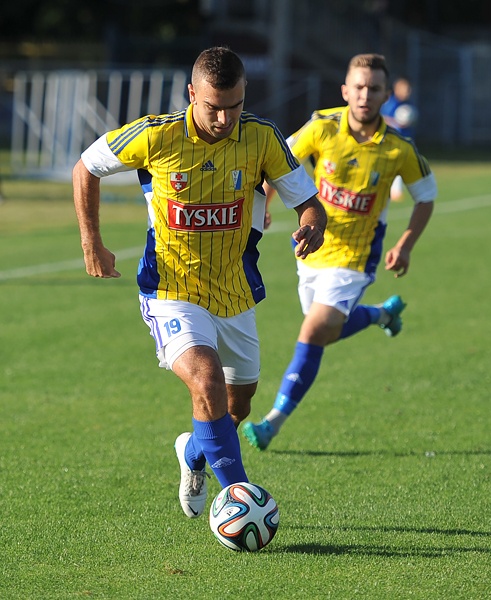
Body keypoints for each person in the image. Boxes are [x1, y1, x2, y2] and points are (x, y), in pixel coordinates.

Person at [72, 46, 327, 519]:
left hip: (235, 292)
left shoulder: (262, 136)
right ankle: (240, 499)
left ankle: (193, 453)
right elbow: (86, 166)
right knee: (205, 380)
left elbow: (308, 200)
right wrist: (92, 241)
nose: (226, 118)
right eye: (214, 107)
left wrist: (312, 223)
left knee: (236, 407)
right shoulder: (156, 136)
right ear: (192, 93)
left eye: (235, 105)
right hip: (171, 290)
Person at [241, 53, 436, 451]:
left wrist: (404, 244)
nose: (365, 95)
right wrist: (264, 207)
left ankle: (272, 423)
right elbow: (277, 161)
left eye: (374, 88)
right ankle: (382, 313)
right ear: (346, 90)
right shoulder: (321, 127)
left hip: (356, 258)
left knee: (313, 330)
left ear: (386, 95)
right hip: (312, 249)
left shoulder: (399, 148)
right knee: (324, 331)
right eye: (359, 87)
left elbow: (426, 197)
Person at [380, 77, 418, 201]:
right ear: (397, 89)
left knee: (401, 164)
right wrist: (397, 122)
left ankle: (397, 190)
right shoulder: (390, 103)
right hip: (390, 140)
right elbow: (382, 119)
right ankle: (392, 190)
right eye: (405, 89)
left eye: (409, 89)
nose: (407, 92)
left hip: (405, 140)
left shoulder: (409, 104)